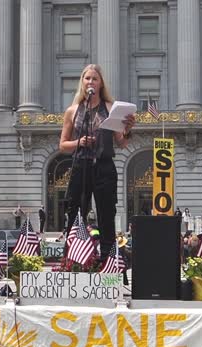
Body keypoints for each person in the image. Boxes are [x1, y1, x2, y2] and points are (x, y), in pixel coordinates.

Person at [59, 64, 136, 263]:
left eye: (95, 79)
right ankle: (73, 259)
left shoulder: (110, 108)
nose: (90, 82)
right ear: (82, 83)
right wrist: (79, 142)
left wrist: (127, 129)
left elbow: (121, 143)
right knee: (76, 213)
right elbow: (63, 145)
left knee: (106, 214)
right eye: (87, 78)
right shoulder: (73, 110)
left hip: (104, 166)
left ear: (101, 84)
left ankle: (108, 261)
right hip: (80, 165)